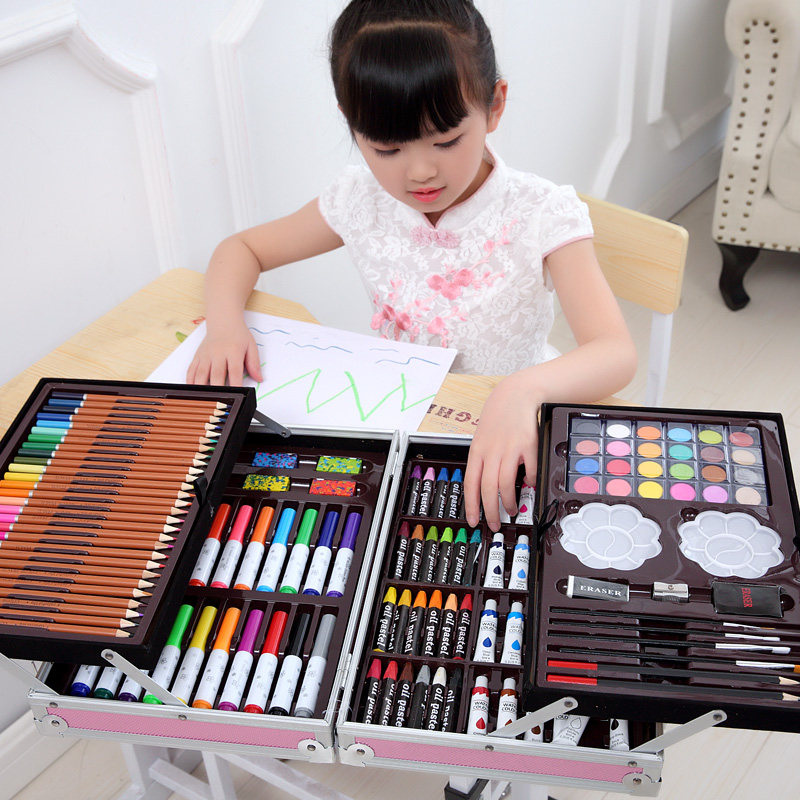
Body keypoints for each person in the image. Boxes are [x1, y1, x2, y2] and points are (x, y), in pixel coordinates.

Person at [187, 0, 637, 532]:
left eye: (446, 141)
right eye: (386, 148)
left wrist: (521, 389)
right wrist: (224, 327)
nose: (420, 171)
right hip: (398, 419)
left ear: (495, 105)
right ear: (350, 123)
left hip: (507, 423)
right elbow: (241, 249)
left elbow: (615, 352)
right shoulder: (360, 199)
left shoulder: (541, 212)